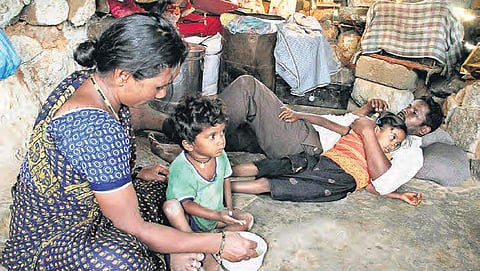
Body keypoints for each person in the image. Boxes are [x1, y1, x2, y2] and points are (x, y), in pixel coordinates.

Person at [0, 14, 257, 271]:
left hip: (91, 205)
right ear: (124, 76)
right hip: (54, 236)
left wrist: (143, 163)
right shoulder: (94, 130)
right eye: (158, 86)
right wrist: (218, 243)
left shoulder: (90, 83)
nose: (163, 94)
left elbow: (128, 121)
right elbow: (133, 225)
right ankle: (170, 255)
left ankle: (173, 247)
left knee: (165, 188)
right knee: (125, 262)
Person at [214, 75, 443, 198]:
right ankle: (198, 136)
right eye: (410, 106)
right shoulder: (386, 124)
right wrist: (363, 113)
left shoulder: (411, 154)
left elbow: (382, 184)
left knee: (248, 88)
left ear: (423, 130)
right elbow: (344, 124)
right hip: (309, 130)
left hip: (312, 149)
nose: (406, 111)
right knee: (237, 128)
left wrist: (367, 131)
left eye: (414, 114)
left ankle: (198, 138)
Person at [231, 112, 423, 205]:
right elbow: (326, 123)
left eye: (397, 144)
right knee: (277, 165)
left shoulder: (384, 160)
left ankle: (227, 186)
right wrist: (299, 115)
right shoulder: (356, 133)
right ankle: (229, 171)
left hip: (338, 182)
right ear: (376, 130)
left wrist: (398, 195)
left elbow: (373, 186)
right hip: (321, 161)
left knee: (280, 185)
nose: (393, 144)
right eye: (393, 137)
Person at [163, 95, 254, 235]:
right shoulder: (181, 168)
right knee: (171, 208)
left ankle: (211, 240)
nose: (221, 141)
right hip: (193, 220)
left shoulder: (220, 155)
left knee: (246, 220)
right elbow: (186, 204)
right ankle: (192, 239)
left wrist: (228, 210)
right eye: (212, 136)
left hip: (216, 216)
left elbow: (226, 180)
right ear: (188, 144)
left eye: (222, 133)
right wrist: (217, 215)